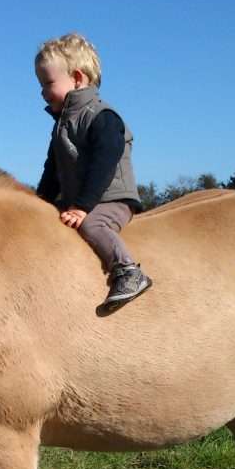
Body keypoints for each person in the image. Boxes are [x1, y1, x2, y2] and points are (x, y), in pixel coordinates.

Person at [34, 32, 153, 312]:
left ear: (77, 78)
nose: (41, 92)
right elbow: (52, 170)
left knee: (92, 226)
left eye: (48, 83)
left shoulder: (102, 117)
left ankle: (127, 271)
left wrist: (83, 207)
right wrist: (39, 202)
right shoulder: (62, 125)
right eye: (39, 85)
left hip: (111, 199)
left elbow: (105, 162)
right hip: (80, 199)